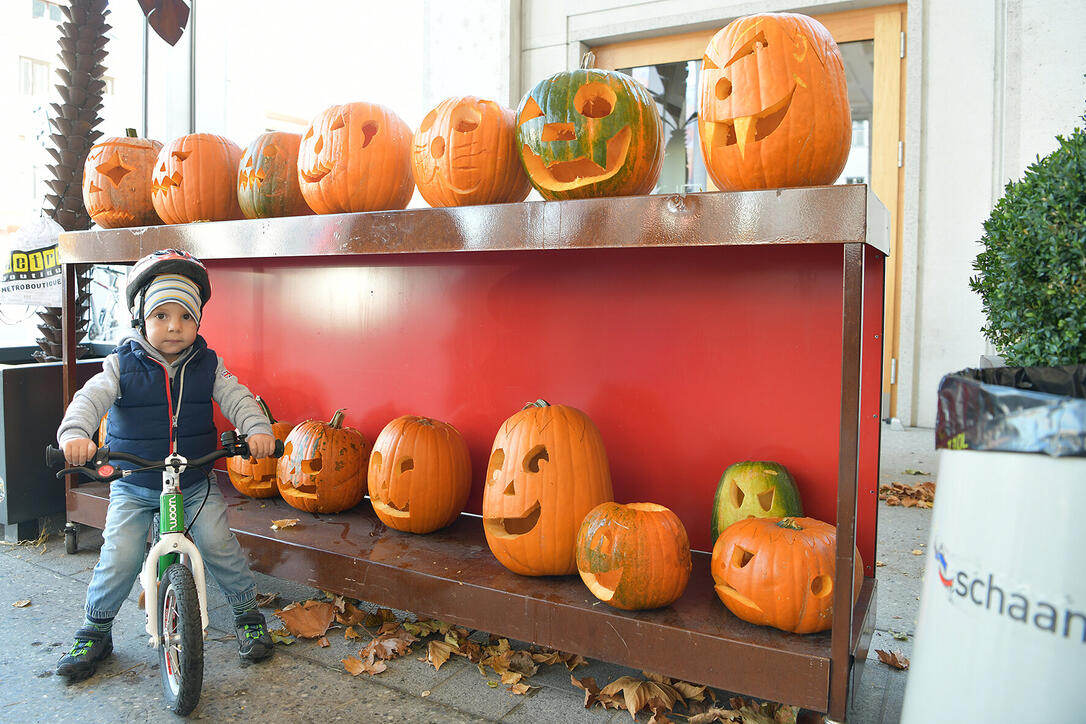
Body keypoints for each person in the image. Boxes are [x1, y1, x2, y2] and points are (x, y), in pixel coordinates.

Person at [54, 249, 277, 682]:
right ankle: (95, 628)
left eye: (185, 316)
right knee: (119, 555)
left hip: (193, 480)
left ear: (198, 322)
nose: (174, 326)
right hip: (136, 482)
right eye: (161, 315)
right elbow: (90, 398)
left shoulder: (207, 365)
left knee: (218, 544)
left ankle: (248, 615)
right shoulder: (121, 365)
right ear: (141, 319)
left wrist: (257, 428)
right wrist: (75, 436)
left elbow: (238, 397)